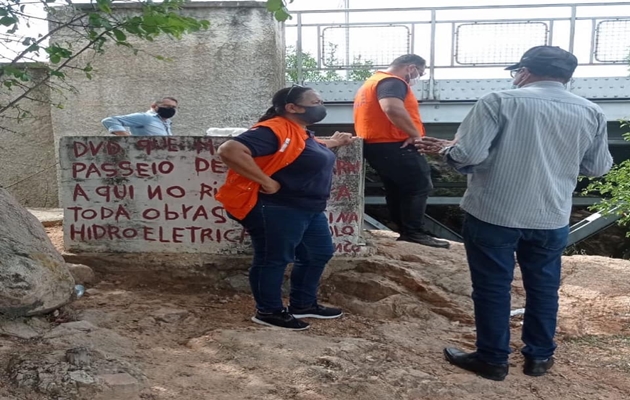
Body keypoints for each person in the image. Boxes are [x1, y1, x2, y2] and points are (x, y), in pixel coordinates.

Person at [416, 46, 613, 381]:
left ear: (524, 71)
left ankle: (492, 360)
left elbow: (468, 155)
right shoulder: (591, 111)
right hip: (551, 216)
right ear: (567, 76)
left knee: (493, 287)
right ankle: (538, 358)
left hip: (494, 212)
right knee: (543, 288)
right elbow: (598, 167)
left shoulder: (499, 100)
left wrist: (448, 150)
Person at [215, 86, 357, 331]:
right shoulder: (274, 128)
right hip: (277, 207)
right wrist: (266, 182)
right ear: (292, 108)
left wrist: (334, 142)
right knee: (273, 259)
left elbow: (305, 148)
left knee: (318, 253)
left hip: (308, 208)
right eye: (316, 101)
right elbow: (229, 150)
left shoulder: (300, 132)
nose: (321, 105)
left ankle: (303, 304)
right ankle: (268, 311)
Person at [353, 54, 449, 248]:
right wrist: (415, 134)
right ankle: (413, 232)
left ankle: (406, 230)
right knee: (419, 185)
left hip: (378, 145)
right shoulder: (392, 82)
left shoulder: (373, 81)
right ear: (410, 68)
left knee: (397, 189)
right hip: (394, 144)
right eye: (419, 73)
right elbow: (392, 108)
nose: (416, 78)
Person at [101, 97, 178, 136]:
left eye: (173, 107)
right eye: (167, 106)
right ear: (154, 106)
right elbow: (109, 120)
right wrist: (128, 139)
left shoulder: (166, 122)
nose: (170, 109)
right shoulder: (145, 117)